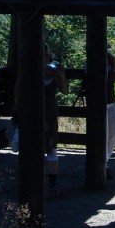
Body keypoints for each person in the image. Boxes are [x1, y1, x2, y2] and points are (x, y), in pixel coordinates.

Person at [43, 44, 69, 197]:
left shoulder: (54, 70)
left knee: (51, 148)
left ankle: (52, 184)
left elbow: (65, 90)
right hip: (36, 113)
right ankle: (42, 184)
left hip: (50, 114)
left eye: (45, 53)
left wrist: (60, 75)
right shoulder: (29, 69)